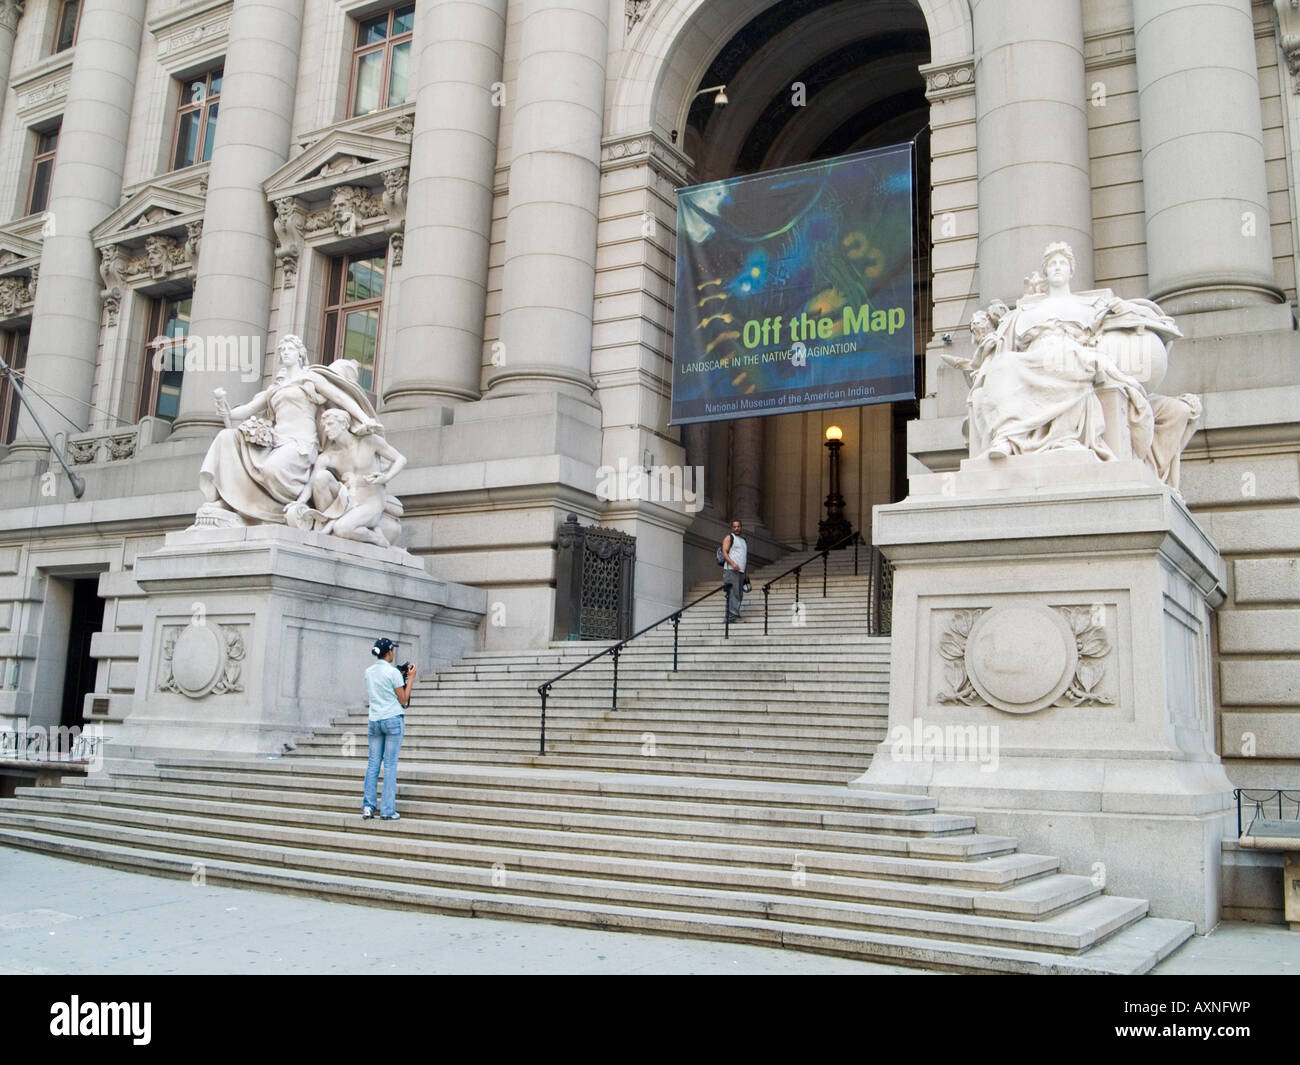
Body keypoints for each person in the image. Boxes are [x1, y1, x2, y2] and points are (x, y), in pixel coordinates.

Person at [362, 636, 416, 821]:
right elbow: (403, 699)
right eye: (392, 650)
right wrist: (410, 679)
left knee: (373, 764)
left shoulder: (369, 672)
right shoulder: (392, 672)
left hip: (374, 721)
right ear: (389, 652)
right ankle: (387, 810)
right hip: (392, 719)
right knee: (390, 765)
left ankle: (368, 807)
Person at [721, 519, 748, 622]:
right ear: (732, 528)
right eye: (735, 527)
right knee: (733, 593)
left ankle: (734, 615)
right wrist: (732, 563)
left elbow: (744, 557)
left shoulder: (743, 540)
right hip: (731, 570)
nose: (737, 528)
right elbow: (724, 552)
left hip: (741, 571)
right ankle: (732, 617)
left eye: (738, 526)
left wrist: (746, 572)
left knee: (739, 594)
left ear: (741, 527)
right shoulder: (729, 537)